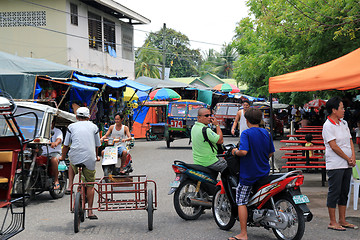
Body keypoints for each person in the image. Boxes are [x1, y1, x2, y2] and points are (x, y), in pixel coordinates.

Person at [230, 108, 275, 240]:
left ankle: (243, 234)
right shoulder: (266, 133)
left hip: (249, 174)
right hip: (264, 172)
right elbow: (271, 153)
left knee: (241, 201)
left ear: (247, 120)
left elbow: (243, 152)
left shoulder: (246, 133)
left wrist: (234, 151)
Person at [322, 96, 357, 231]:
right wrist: (347, 158)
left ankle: (342, 219)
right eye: (342, 108)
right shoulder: (327, 125)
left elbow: (350, 141)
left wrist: (352, 157)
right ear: (334, 110)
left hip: (347, 164)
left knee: (344, 192)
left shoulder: (344, 123)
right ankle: (332, 221)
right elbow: (334, 146)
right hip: (336, 164)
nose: (344, 110)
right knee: (334, 192)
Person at [60, 107, 101, 220]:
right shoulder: (94, 127)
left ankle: (70, 185)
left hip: (75, 157)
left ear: (77, 117)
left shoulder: (71, 127)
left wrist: (62, 157)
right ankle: (90, 211)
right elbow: (97, 145)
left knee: (71, 164)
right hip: (89, 158)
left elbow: (66, 145)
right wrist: (96, 156)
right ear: (88, 117)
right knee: (90, 184)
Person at [191, 107, 227, 172]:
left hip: (198, 161)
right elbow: (220, 140)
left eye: (210, 115)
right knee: (230, 167)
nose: (209, 117)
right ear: (199, 117)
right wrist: (217, 125)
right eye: (206, 116)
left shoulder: (194, 127)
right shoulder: (206, 130)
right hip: (210, 161)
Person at [41, 118, 63, 189]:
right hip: (43, 152)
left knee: (53, 160)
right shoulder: (42, 131)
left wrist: (55, 143)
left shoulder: (57, 131)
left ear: (53, 122)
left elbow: (59, 139)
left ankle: (56, 180)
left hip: (54, 152)